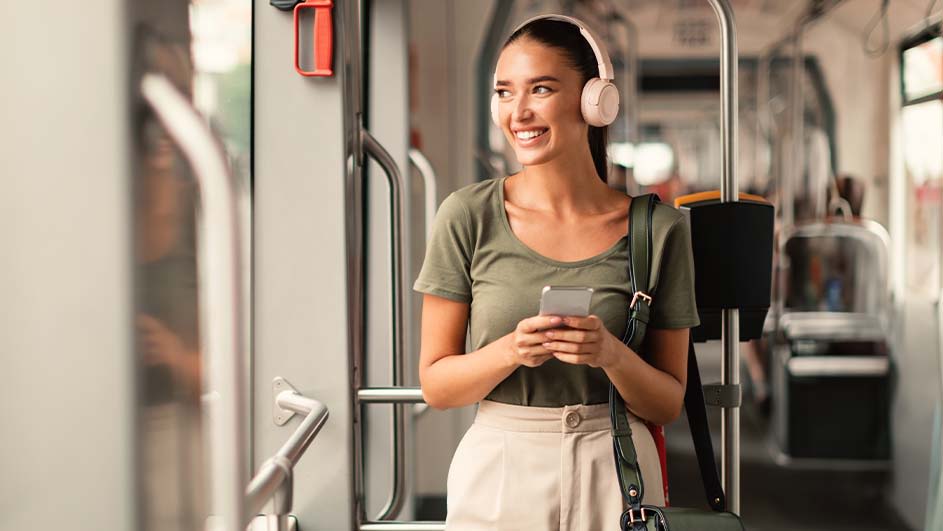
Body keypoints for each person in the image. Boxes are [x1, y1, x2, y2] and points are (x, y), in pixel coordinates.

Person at [413, 15, 699, 530]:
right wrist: (512, 350)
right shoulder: (466, 215)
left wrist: (609, 354)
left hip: (617, 473)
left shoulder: (659, 229)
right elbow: (437, 385)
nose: (517, 111)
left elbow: (667, 402)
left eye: (540, 88)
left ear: (594, 100)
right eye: (504, 91)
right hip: (499, 468)